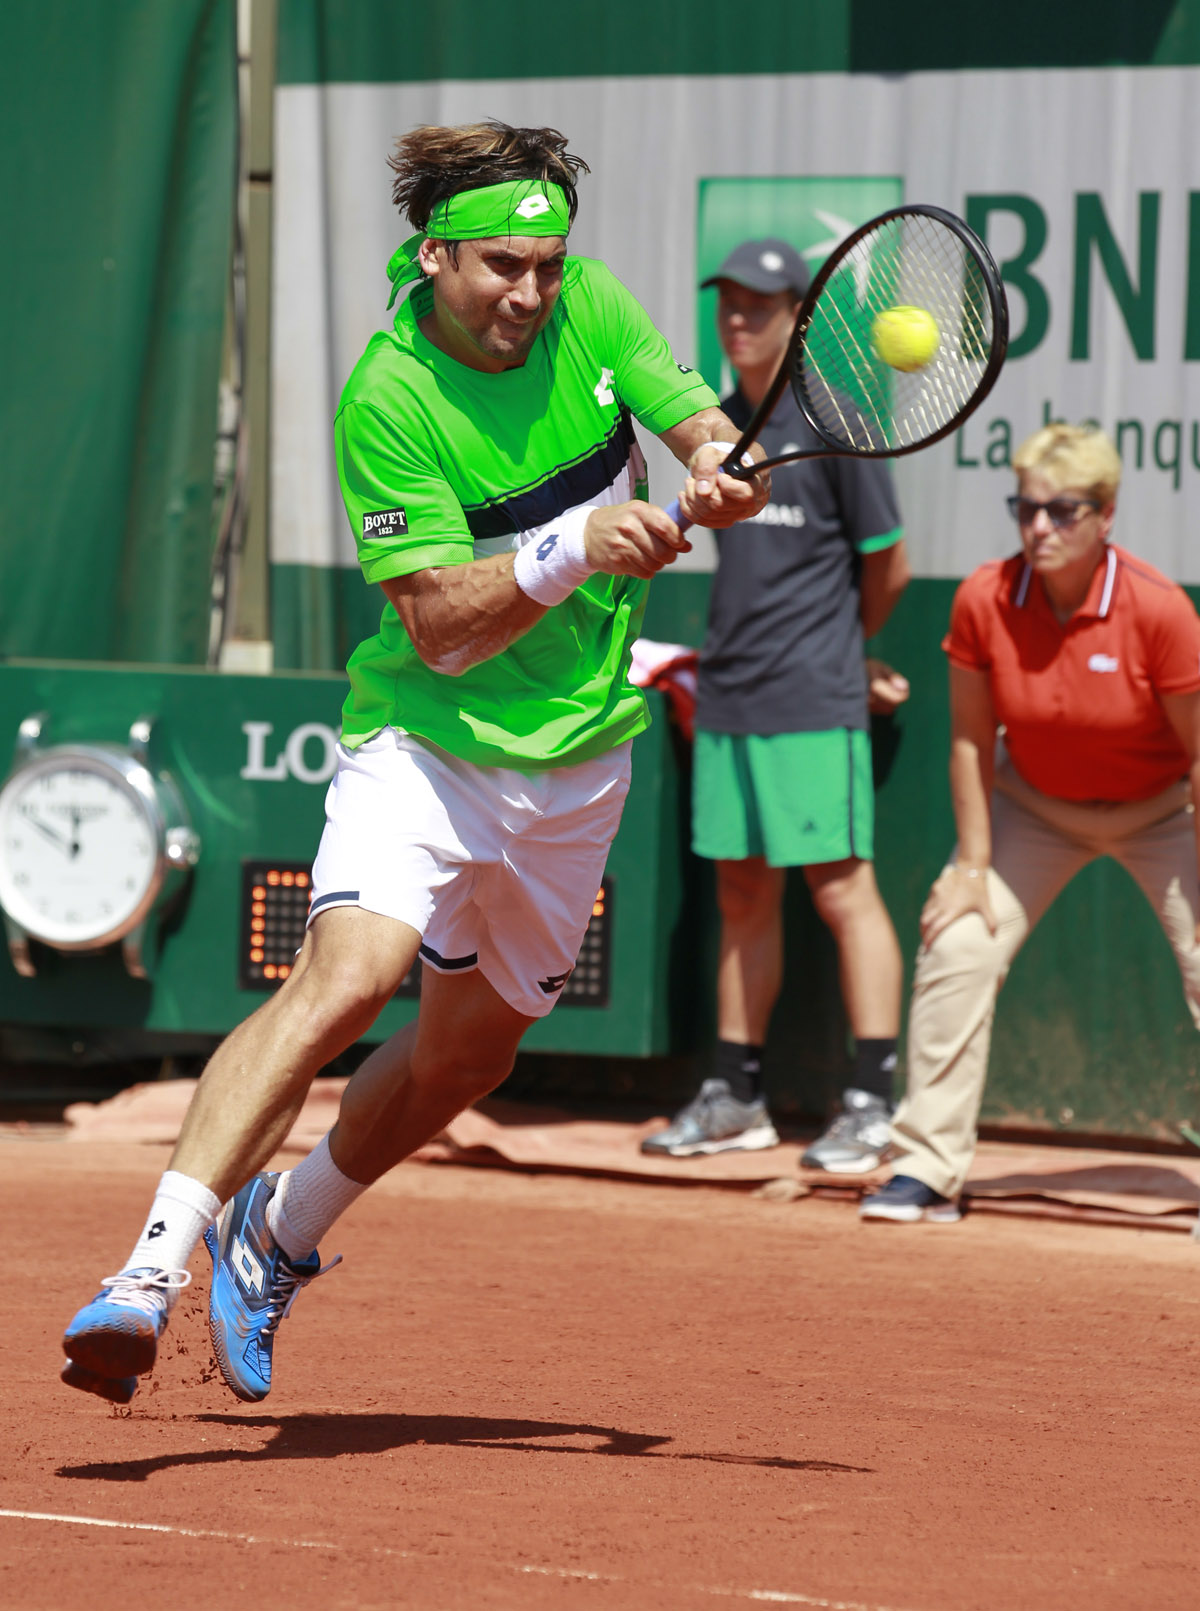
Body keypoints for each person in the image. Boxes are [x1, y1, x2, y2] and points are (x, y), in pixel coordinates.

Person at [60, 120, 769, 1405]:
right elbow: (442, 628)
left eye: (548, 267)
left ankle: (276, 1234)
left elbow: (700, 426)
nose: (531, 293)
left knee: (467, 1058)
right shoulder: (386, 399)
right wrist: (573, 548)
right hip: (427, 747)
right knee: (348, 983)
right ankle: (144, 1275)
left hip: (580, 763)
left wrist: (720, 466)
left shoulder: (593, 305)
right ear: (435, 256)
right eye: (503, 266)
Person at [862, 423, 1200, 1223]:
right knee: (957, 941)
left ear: (1106, 515)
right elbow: (970, 739)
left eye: (1063, 510)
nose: (1039, 527)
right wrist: (972, 866)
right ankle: (926, 1166)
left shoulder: (1159, 609)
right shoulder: (985, 596)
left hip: (1164, 811)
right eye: (1026, 508)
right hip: (1034, 807)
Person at [641, 238, 912, 1169]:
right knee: (741, 892)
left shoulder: (836, 420)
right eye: (729, 303)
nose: (738, 319)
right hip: (730, 692)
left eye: (760, 304)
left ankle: (873, 1101)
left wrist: (843, 647)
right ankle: (735, 1096)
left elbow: (888, 564)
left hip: (812, 694)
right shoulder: (714, 425)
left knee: (841, 890)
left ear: (799, 317)